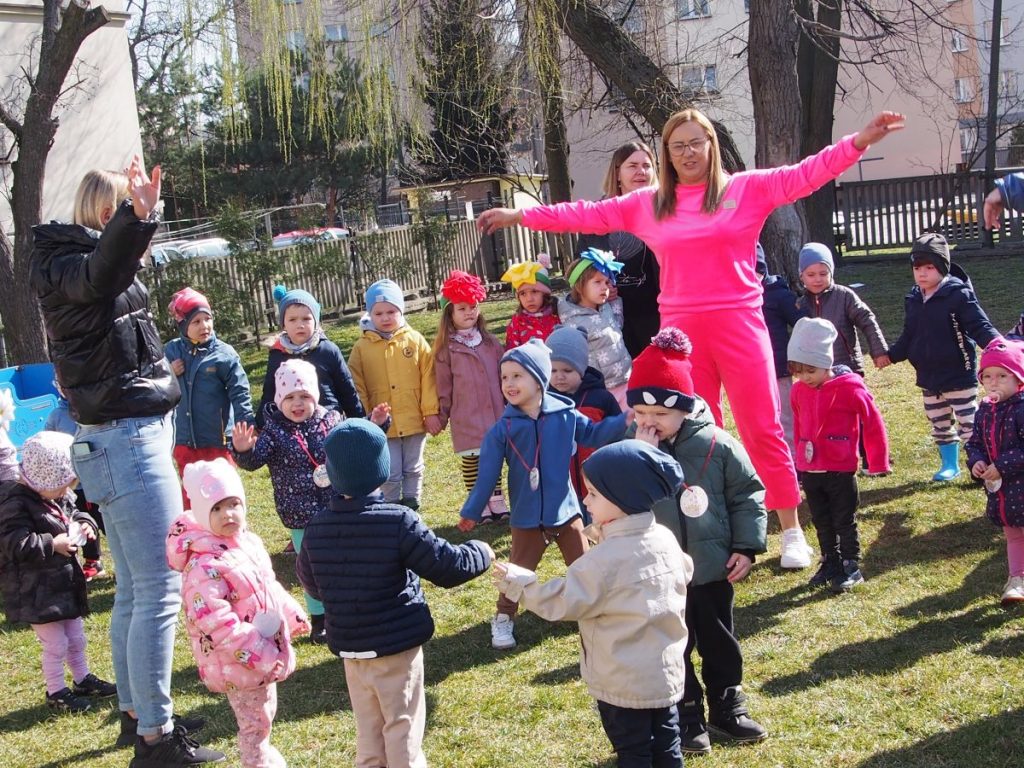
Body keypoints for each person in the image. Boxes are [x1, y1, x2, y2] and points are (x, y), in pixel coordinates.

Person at [477, 108, 906, 570]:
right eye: (677, 146)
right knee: (695, 434)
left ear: (711, 145)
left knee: (762, 428)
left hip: (740, 324)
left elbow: (805, 174)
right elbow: (585, 213)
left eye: (695, 143)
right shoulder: (651, 202)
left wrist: (859, 141)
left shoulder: (745, 190)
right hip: (681, 335)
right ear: (667, 153)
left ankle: (790, 529)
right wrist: (520, 214)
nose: (687, 153)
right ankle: (706, 529)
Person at [30, 158, 218, 762]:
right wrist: (139, 218)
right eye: (133, 211)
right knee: (158, 589)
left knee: (138, 589)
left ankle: (139, 715)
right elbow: (103, 275)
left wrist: (140, 222)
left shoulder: (79, 261)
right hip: (126, 441)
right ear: (110, 215)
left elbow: (113, 272)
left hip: (120, 437)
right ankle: (157, 738)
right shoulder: (72, 267)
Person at [296, 419, 494, 768]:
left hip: (352, 651)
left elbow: (311, 584)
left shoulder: (317, 527)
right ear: (382, 469)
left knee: (369, 731)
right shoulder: (398, 520)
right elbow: (446, 566)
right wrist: (481, 551)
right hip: (395, 649)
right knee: (402, 726)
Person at [493, 439, 692, 768]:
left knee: (633, 752)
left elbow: (562, 601)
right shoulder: (664, 539)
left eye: (595, 494)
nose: (586, 500)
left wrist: (519, 584)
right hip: (664, 674)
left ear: (623, 499)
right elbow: (686, 569)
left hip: (621, 682)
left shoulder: (601, 562)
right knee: (666, 743)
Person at [628, 328, 768, 754]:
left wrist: (746, 547)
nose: (649, 422)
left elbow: (747, 494)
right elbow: (619, 503)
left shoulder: (718, 445)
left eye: (660, 413)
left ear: (684, 409)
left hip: (710, 569)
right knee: (674, 646)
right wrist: (640, 457)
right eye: (640, 412)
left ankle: (728, 704)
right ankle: (687, 714)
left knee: (719, 639)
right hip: (659, 575)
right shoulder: (631, 449)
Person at [457, 338, 631, 650]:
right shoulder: (502, 430)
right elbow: (487, 476)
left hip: (566, 511)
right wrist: (472, 511)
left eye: (517, 376)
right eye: (504, 377)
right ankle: (503, 617)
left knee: (585, 566)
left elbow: (594, 433)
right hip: (526, 517)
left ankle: (598, 611)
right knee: (518, 572)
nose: (509, 383)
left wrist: (624, 420)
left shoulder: (565, 415)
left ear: (539, 380)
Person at [232, 359, 388, 644]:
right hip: (299, 514)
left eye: (304, 396)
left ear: (315, 396)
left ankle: (352, 608)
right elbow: (254, 461)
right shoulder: (273, 432)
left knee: (346, 558)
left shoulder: (331, 420)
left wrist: (375, 424)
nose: (298, 403)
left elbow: (354, 439)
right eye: (290, 398)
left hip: (337, 504)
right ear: (279, 401)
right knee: (313, 567)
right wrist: (243, 450)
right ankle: (320, 620)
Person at [168, 459, 310, 767]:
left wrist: (289, 612)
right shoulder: (205, 565)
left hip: (262, 651)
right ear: (203, 514)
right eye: (217, 508)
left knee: (264, 713)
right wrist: (254, 649)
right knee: (253, 725)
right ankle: (256, 762)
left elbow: (267, 586)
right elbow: (216, 622)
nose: (228, 514)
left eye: (234, 504)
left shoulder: (247, 543)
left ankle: (264, 757)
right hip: (239, 662)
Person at [0, 431, 116, 714]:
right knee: (55, 644)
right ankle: (56, 691)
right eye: (63, 484)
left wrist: (85, 523)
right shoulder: (14, 503)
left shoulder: (55, 494)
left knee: (76, 637)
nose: (68, 490)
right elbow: (15, 544)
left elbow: (74, 512)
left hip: (63, 582)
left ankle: (81, 678)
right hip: (36, 589)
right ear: (43, 479)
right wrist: (53, 543)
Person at [788, 318, 890, 592]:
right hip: (810, 468)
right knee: (820, 519)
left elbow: (872, 421)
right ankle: (829, 560)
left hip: (840, 467)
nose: (805, 377)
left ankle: (850, 564)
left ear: (827, 363)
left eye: (811, 370)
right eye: (799, 371)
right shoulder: (798, 390)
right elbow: (798, 425)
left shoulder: (850, 388)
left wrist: (877, 460)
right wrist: (800, 460)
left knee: (844, 519)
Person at [887, 233, 999, 481]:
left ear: (943, 268)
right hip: (928, 376)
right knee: (939, 422)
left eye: (929, 267)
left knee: (969, 423)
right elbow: (909, 333)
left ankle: (979, 465)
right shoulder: (914, 298)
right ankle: (950, 464)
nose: (922, 273)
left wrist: (997, 346)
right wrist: (892, 355)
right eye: (917, 268)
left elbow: (979, 325)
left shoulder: (957, 294)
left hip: (958, 372)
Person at [349, 279, 441, 510]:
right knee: (390, 471)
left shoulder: (416, 340)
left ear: (401, 310)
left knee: (413, 467)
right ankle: (390, 508)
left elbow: (429, 378)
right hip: (381, 425)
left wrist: (430, 412)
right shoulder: (362, 347)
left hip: (413, 418)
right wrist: (366, 417)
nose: (386, 317)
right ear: (370, 314)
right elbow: (356, 383)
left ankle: (412, 505)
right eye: (379, 313)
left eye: (391, 311)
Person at [432, 270, 508, 523]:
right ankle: (478, 501)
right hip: (465, 414)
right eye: (462, 308)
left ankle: (496, 498)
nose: (469, 312)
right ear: (450, 314)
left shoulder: (490, 343)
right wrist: (441, 415)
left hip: (495, 411)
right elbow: (443, 386)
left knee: (493, 456)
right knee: (472, 457)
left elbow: (503, 373)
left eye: (473, 307)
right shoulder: (447, 349)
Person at [577, 141, 662, 357]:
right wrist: (595, 286)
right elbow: (581, 266)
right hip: (611, 317)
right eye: (632, 166)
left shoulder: (665, 212)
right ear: (617, 173)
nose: (641, 171)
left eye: (647, 165)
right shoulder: (599, 214)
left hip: (657, 313)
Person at [164, 287, 255, 488]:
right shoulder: (171, 351)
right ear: (183, 325)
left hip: (217, 439)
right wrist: (169, 373)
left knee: (222, 489)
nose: (204, 325)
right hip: (185, 440)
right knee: (191, 491)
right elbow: (156, 386)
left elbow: (240, 392)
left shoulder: (224, 355)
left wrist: (246, 423)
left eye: (207, 319)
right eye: (196, 321)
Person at [255, 284, 365, 428]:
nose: (300, 325)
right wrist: (259, 425)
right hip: (293, 429)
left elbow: (347, 390)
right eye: (292, 320)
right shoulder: (278, 355)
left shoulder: (328, 350)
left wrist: (360, 421)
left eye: (306, 319)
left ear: (316, 322)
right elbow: (270, 392)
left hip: (328, 423)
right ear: (283, 324)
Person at [966, 338, 1024, 606]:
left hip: (1018, 480)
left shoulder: (1021, 409)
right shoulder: (984, 411)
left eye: (1002, 375)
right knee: (1012, 533)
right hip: (1004, 491)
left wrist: (1001, 464)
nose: (994, 382)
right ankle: (1017, 579)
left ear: (1019, 380)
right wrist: (976, 461)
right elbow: (975, 442)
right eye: (987, 376)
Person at [546, 324, 621, 508]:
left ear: (581, 368)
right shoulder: (545, 402)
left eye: (567, 370)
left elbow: (619, 434)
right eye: (553, 371)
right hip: (562, 486)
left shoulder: (601, 398)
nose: (559, 377)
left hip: (599, 483)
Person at [796, 242, 889, 375]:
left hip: (847, 367)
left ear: (831, 273)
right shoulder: (801, 304)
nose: (817, 279)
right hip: (816, 370)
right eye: (811, 275)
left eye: (823, 274)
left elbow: (867, 320)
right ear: (801, 276)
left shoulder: (844, 296)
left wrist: (879, 351)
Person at [45, 384, 106, 581]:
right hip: (73, 484)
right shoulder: (57, 415)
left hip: (97, 478)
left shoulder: (92, 407)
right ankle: (92, 560)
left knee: (106, 519)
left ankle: (127, 557)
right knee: (82, 520)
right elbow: (47, 441)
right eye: (60, 385)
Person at [558, 248, 633, 407]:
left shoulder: (604, 307)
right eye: (597, 282)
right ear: (579, 285)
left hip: (625, 380)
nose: (604, 287)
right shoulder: (573, 321)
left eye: (607, 282)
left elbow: (617, 325)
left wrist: (615, 301)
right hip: (601, 390)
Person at [757, 242, 805, 458]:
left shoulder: (777, 294)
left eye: (757, 272)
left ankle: (795, 458)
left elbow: (801, 322)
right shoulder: (736, 295)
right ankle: (769, 456)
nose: (753, 278)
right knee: (762, 416)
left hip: (778, 367)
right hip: (753, 368)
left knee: (785, 415)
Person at [501, 256, 560, 349]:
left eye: (534, 291)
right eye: (523, 293)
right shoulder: (517, 322)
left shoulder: (558, 315)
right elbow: (512, 352)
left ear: (544, 293)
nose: (529, 299)